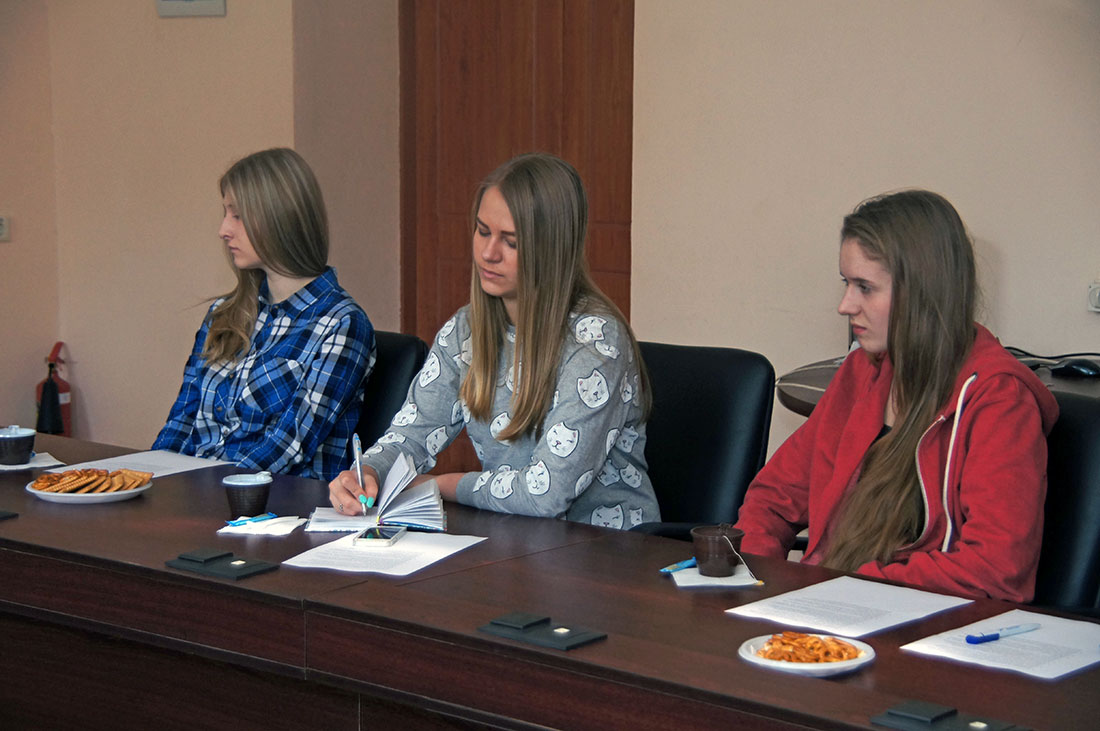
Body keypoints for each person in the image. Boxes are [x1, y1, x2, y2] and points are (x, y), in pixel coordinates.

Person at [734, 190, 1058, 602]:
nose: (845, 305)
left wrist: (848, 588)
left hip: (914, 623)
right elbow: (772, 499)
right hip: (832, 605)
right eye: (846, 283)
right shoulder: (860, 372)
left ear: (922, 292)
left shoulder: (1000, 400)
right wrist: (758, 580)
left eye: (865, 287)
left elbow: (996, 570)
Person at [328, 152, 659, 528]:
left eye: (511, 242)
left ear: (551, 249)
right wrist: (369, 471)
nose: (488, 253)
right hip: (518, 540)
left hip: (609, 550)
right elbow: (411, 434)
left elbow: (546, 494)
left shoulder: (596, 341)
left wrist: (441, 485)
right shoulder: (465, 330)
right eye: (483, 231)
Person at [153, 148, 375, 481]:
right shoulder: (222, 314)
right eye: (226, 214)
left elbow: (289, 446)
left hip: (275, 503)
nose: (223, 230)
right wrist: (148, 479)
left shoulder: (342, 323)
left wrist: (199, 489)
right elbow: (181, 422)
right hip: (199, 494)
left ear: (280, 218)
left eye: (238, 216)